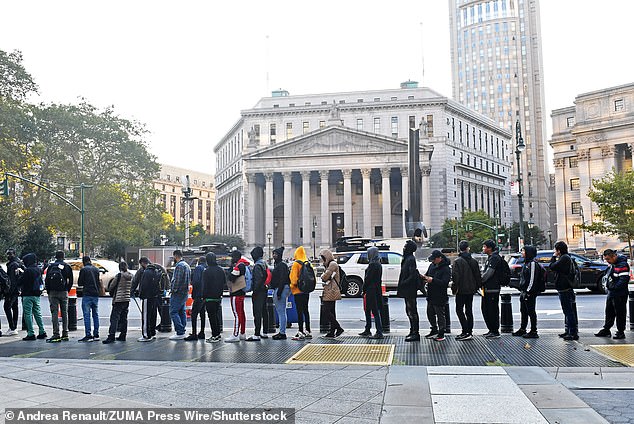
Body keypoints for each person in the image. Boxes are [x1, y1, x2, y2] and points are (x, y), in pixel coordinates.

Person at [594, 249, 630, 340]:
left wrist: (613, 287)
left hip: (619, 294)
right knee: (609, 312)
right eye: (606, 259)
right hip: (612, 293)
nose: (607, 261)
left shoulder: (622, 265)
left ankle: (620, 332)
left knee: (620, 313)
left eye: (608, 259)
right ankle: (606, 329)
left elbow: (623, 280)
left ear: (614, 256)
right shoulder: (613, 264)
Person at [451, 241, 481, 341]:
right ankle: (469, 331)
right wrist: (477, 287)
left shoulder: (457, 261)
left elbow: (456, 277)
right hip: (471, 289)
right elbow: (478, 276)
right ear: (468, 248)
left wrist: (454, 288)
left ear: (460, 249)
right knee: (469, 310)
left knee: (459, 310)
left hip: (461, 290)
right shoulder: (474, 261)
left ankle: (465, 330)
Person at [132, 257, 167, 342]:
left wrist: (140, 294)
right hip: (154, 296)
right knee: (153, 314)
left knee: (146, 315)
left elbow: (143, 285)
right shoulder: (156, 270)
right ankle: (152, 332)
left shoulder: (146, 272)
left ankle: (146, 335)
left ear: (143, 263)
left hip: (147, 296)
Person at [549, 241, 578, 341]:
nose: (554, 252)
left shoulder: (564, 258)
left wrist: (553, 257)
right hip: (565, 287)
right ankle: (569, 330)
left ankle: (572, 332)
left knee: (568, 311)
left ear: (559, 250)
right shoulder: (566, 257)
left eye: (555, 250)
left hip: (565, 288)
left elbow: (552, 266)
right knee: (567, 311)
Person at [44, 251, 73, 343]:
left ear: (55, 257)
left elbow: (47, 280)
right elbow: (70, 280)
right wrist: (67, 289)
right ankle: (65, 333)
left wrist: (48, 290)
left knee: (54, 313)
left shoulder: (51, 266)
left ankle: (56, 333)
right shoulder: (67, 266)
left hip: (53, 292)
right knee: (65, 312)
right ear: (63, 256)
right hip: (63, 291)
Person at [422, 250, 451, 342]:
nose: (433, 262)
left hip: (440, 295)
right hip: (431, 293)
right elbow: (427, 274)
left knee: (440, 314)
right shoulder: (432, 265)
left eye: (434, 260)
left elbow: (445, 282)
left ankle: (441, 332)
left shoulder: (446, 268)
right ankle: (434, 329)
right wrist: (424, 277)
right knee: (430, 312)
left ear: (439, 258)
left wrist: (433, 280)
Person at [18, 253, 47, 341]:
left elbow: (20, 282)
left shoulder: (27, 271)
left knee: (28, 314)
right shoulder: (38, 269)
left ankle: (31, 333)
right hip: (36, 294)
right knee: (37, 313)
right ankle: (42, 331)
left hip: (27, 294)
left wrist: (19, 274)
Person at [513, 245, 540, 339]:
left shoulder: (532, 264)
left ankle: (533, 330)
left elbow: (532, 279)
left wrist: (528, 291)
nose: (522, 253)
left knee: (531, 311)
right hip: (524, 291)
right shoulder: (526, 263)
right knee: (523, 311)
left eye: (523, 251)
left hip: (529, 292)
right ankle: (523, 329)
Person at [397, 240, 421, 342]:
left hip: (410, 289)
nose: (404, 248)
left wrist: (403, 283)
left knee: (412, 311)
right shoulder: (407, 258)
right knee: (409, 310)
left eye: (406, 246)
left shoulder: (410, 259)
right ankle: (412, 330)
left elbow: (411, 275)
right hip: (407, 288)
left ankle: (415, 332)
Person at [103, 261, 132, 344]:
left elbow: (111, 286)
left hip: (118, 299)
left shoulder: (119, 275)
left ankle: (111, 336)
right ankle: (123, 335)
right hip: (126, 299)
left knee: (114, 318)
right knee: (124, 318)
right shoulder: (130, 276)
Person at [359, 246, 384, 339]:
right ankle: (368, 329)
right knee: (371, 310)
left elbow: (368, 279)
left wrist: (363, 289)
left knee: (372, 311)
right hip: (375, 289)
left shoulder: (373, 265)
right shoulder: (378, 263)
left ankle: (378, 331)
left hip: (371, 290)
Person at [480, 239, 502, 339]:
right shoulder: (491, 257)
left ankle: (495, 331)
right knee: (486, 309)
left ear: (489, 248)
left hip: (492, 289)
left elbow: (488, 273)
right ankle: (491, 330)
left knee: (492, 310)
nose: (483, 248)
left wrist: (480, 280)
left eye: (484, 247)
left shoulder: (494, 258)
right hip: (487, 289)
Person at [202, 252, 225, 343]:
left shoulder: (206, 271)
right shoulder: (220, 270)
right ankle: (218, 334)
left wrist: (204, 296)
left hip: (209, 297)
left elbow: (205, 286)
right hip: (218, 296)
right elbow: (224, 282)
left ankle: (214, 335)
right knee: (216, 316)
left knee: (212, 317)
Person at [320, 249, 344, 338]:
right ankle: (332, 331)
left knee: (326, 310)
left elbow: (325, 277)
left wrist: (323, 275)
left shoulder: (332, 264)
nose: (322, 260)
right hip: (331, 289)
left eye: (323, 258)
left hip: (331, 290)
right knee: (331, 311)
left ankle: (338, 327)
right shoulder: (330, 264)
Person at [247, 246, 269, 341]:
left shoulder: (257, 265)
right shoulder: (264, 263)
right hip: (264, 289)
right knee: (264, 311)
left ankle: (257, 333)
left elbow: (258, 279)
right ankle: (265, 332)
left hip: (259, 291)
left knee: (257, 312)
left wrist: (255, 291)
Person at [77, 256, 101, 342]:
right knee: (95, 315)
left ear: (83, 262)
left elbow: (80, 283)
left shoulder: (83, 270)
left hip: (87, 293)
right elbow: (98, 281)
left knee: (87, 315)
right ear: (90, 261)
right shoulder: (96, 269)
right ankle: (96, 334)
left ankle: (88, 335)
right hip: (95, 294)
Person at [226, 250, 248, 342]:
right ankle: (242, 333)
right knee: (241, 313)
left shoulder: (239, 266)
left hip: (236, 292)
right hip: (241, 292)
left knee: (236, 314)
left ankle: (235, 334)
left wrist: (231, 269)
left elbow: (231, 277)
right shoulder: (244, 265)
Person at [169, 250, 191, 340]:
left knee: (173, 312)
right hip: (185, 292)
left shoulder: (179, 266)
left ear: (175, 256)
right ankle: (182, 329)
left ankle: (179, 331)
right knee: (182, 311)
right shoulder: (187, 265)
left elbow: (177, 280)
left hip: (178, 293)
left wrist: (173, 290)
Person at [185, 256, 207, 341]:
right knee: (202, 314)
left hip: (198, 294)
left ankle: (194, 333)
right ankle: (202, 332)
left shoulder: (199, 268)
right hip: (205, 295)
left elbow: (196, 281)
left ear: (199, 261)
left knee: (194, 314)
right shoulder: (206, 268)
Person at [4, 249, 23, 336]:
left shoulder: (13, 265)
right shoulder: (17, 263)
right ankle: (13, 326)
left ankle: (12, 327)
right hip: (16, 289)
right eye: (8, 254)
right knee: (14, 307)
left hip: (12, 290)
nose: (8, 256)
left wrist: (9, 292)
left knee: (7, 306)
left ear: (14, 254)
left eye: (10, 254)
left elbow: (12, 280)